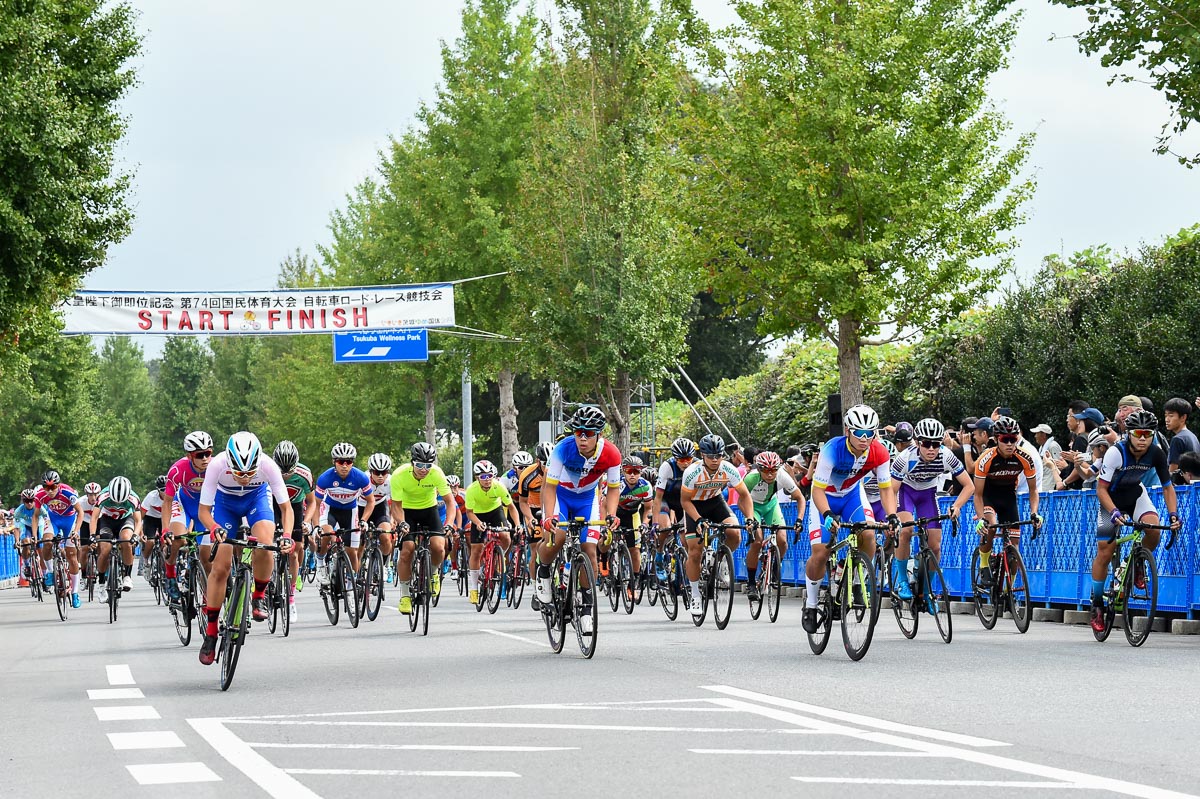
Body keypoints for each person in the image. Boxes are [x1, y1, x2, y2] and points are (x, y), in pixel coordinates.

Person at [196, 432, 294, 665]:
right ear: (229, 463)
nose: (244, 477)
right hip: (225, 504)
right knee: (220, 568)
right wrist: (214, 528)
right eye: (239, 473)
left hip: (256, 499)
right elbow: (203, 512)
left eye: (250, 473)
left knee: (265, 544)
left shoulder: (268, 465)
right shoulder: (217, 465)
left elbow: (286, 509)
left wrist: (288, 537)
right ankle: (210, 634)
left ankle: (258, 596)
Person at [801, 404, 897, 634]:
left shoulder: (880, 452)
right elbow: (817, 490)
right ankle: (811, 604)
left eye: (869, 433)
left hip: (853, 496)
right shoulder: (832, 450)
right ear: (847, 431)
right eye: (859, 433)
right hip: (825, 498)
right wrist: (826, 514)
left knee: (868, 534)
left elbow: (886, 490)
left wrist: (892, 515)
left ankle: (856, 580)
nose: (864, 439)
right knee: (821, 552)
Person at [1090, 409, 1180, 631]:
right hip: (1110, 499)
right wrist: (1113, 512)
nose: (1143, 439)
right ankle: (1098, 603)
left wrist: (1173, 514)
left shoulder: (1156, 453)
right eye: (1138, 433)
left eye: (1148, 434)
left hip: (1135, 494)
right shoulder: (1115, 452)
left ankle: (1137, 564)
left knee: (1154, 530)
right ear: (1129, 433)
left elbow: (1168, 488)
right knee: (1105, 551)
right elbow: (1100, 489)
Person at [536, 405, 623, 633]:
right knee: (557, 537)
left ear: (599, 434)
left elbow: (613, 489)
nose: (582, 438)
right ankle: (543, 570)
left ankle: (586, 608)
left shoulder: (611, 454)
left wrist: (611, 514)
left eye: (588, 434)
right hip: (561, 496)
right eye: (578, 432)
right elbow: (549, 487)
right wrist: (548, 518)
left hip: (587, 499)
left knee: (590, 549)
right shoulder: (562, 449)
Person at [890, 419, 973, 601]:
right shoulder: (905, 458)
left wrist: (957, 506)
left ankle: (926, 592)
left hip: (927, 495)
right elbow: (891, 490)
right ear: (918, 442)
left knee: (935, 546)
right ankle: (902, 580)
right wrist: (891, 516)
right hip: (906, 493)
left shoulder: (946, 456)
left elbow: (969, 486)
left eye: (935, 444)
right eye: (926, 444)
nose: (931, 449)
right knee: (906, 531)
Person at [679, 433, 756, 619]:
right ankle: (695, 594)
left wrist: (750, 518)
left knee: (734, 533)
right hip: (694, 506)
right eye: (710, 456)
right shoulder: (692, 472)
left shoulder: (728, 469)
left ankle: (720, 561)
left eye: (718, 456)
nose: (715, 460)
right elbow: (685, 501)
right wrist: (698, 519)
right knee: (695, 551)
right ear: (703, 455)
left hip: (715, 502)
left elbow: (744, 495)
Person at [972, 416, 1042, 588]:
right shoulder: (985, 459)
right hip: (988, 495)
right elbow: (978, 494)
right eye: (1005, 440)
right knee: (991, 525)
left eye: (1013, 439)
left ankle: (1008, 589)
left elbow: (1034, 490)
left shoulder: (1024, 457)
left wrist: (1034, 513)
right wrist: (981, 518)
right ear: (996, 440)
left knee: (1014, 548)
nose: (1010, 444)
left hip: (1009, 496)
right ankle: (984, 563)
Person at [389, 442, 457, 613]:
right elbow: (395, 506)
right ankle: (405, 596)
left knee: (439, 547)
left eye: (428, 465)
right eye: (420, 465)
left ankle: (433, 573)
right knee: (407, 550)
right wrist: (401, 522)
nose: (424, 469)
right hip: (407, 511)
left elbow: (450, 503)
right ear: (412, 462)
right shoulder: (399, 475)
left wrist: (449, 523)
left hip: (429, 510)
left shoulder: (436, 474)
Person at [742, 450, 804, 601]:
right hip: (753, 506)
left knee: (782, 540)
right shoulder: (751, 478)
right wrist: (750, 519)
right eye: (766, 471)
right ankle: (751, 583)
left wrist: (799, 520)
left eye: (773, 471)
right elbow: (741, 500)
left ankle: (775, 568)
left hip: (771, 506)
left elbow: (800, 498)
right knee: (757, 541)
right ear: (759, 469)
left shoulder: (782, 476)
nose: (770, 475)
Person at [314, 442, 375, 581]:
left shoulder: (361, 477)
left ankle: (351, 587)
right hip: (330, 510)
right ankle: (320, 565)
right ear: (334, 462)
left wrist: (364, 520)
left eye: (349, 462)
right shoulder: (325, 478)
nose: (345, 465)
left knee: (352, 553)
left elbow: (371, 501)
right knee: (326, 535)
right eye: (341, 462)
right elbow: (316, 505)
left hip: (350, 511)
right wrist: (316, 526)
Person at [271, 440, 317, 621]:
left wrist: (306, 521)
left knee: (294, 550)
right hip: (273, 505)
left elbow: (312, 501)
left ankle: (290, 596)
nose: (285, 475)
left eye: (289, 471)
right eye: (281, 471)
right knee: (264, 541)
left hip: (296, 506)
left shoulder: (304, 474)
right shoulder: (267, 471)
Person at [163, 431, 215, 588]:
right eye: (200, 455)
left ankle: (208, 601)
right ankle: (170, 576)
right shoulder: (178, 470)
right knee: (177, 540)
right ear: (190, 456)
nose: (205, 458)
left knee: (207, 558)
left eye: (208, 453)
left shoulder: (216, 467)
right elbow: (167, 502)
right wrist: (166, 529)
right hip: (184, 504)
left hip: (206, 508)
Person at [464, 459, 520, 605]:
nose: (487, 479)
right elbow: (469, 512)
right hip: (477, 515)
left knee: (506, 536)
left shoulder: (499, 486)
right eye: (483, 477)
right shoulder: (471, 490)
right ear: (477, 478)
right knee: (476, 550)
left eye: (490, 476)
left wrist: (518, 525)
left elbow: (512, 508)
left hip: (495, 512)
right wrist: (477, 523)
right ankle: (474, 589)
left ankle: (499, 557)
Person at [90, 476, 143, 601]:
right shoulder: (103, 496)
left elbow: (138, 520)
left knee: (126, 539)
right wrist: (93, 535)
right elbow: (94, 518)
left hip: (125, 519)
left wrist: (135, 535)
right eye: (115, 501)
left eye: (121, 502)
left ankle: (127, 576)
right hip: (107, 521)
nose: (118, 504)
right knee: (105, 549)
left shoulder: (134, 498)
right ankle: (102, 584)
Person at [31, 471, 81, 595]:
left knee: (71, 556)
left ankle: (75, 592)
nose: (49, 491)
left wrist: (75, 531)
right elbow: (35, 516)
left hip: (70, 520)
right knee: (47, 542)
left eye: (53, 487)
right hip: (54, 520)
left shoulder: (68, 492)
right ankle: (50, 571)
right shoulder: (40, 495)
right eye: (46, 487)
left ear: (58, 485)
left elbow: (80, 512)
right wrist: (34, 536)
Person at [653, 437, 696, 579]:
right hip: (667, 500)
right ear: (675, 458)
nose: (685, 463)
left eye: (688, 459)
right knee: (665, 527)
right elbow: (658, 498)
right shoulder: (667, 467)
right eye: (681, 460)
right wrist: (654, 523)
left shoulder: (697, 466)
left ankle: (686, 573)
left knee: (687, 542)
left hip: (685, 502)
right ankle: (659, 555)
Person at [610, 455, 653, 589]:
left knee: (635, 550)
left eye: (636, 471)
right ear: (623, 471)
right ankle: (606, 561)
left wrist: (645, 524)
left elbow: (648, 509)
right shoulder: (617, 483)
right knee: (606, 538)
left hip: (632, 514)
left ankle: (634, 580)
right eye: (629, 471)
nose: (633, 475)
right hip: (615, 512)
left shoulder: (645, 486)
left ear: (641, 472)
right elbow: (606, 503)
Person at [1163, 397, 1198, 479]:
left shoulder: (1178, 439)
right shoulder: (1192, 436)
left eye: (1171, 416)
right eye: (1166, 416)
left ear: (1183, 417)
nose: (1167, 420)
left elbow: (1172, 470)